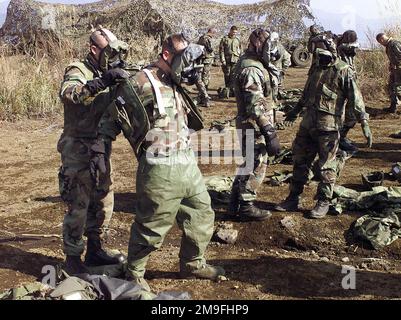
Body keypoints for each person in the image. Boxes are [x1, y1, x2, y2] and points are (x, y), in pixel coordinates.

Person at [107, 34, 225, 290]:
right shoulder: (140, 82)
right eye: (182, 58)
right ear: (166, 55)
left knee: (202, 214)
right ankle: (134, 273)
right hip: (159, 167)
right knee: (152, 225)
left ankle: (193, 264)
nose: (187, 65)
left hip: (187, 162)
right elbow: (111, 118)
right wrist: (97, 151)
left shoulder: (174, 80)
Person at [58, 27, 129, 274]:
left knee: (103, 200)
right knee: (78, 204)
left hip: (100, 147)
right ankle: (73, 259)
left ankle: (95, 248)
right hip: (78, 148)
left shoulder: (108, 71)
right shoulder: (79, 70)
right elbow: (70, 94)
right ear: (94, 49)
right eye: (109, 51)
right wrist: (102, 82)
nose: (113, 57)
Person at [275, 48, 372, 219]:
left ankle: (323, 201)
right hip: (307, 124)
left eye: (324, 55)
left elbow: (355, 98)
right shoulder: (316, 67)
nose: (321, 58)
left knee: (327, 165)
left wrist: (364, 122)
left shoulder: (343, 71)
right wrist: (295, 111)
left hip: (328, 127)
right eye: (318, 54)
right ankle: (293, 197)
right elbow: (306, 94)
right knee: (300, 160)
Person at [229, 28, 282, 221]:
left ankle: (234, 202)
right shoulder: (252, 68)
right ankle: (246, 206)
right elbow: (255, 105)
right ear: (258, 45)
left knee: (247, 163)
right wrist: (269, 131)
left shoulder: (255, 63)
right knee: (256, 163)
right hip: (253, 124)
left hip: (251, 123)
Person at [337, 30, 361, 153]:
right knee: (340, 114)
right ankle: (338, 140)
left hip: (349, 81)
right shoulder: (341, 47)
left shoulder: (347, 48)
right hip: (340, 84)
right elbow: (352, 46)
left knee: (351, 113)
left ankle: (342, 137)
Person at [377, 33, 401, 113]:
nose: (381, 44)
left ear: (381, 39)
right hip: (395, 70)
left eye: (380, 42)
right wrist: (391, 65)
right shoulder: (389, 45)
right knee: (391, 87)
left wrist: (398, 65)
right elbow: (393, 58)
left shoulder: (394, 44)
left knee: (398, 89)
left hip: (399, 70)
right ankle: (393, 107)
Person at [196, 28, 217, 107]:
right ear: (212, 33)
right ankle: (204, 99)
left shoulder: (201, 37)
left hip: (202, 61)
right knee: (205, 79)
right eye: (214, 34)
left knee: (202, 78)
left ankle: (202, 98)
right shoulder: (206, 38)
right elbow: (209, 49)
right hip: (206, 60)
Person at [219, 26, 242, 97]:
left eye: (236, 32)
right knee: (227, 75)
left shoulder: (237, 40)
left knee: (234, 75)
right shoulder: (224, 39)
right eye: (233, 32)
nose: (234, 34)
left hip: (235, 60)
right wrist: (222, 60)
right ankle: (227, 90)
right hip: (227, 60)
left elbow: (240, 50)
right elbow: (221, 50)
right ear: (230, 30)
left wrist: (240, 59)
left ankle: (232, 90)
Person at [270, 31, 292, 100]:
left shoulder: (280, 48)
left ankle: (276, 96)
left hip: (276, 69)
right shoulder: (269, 46)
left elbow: (287, 58)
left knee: (277, 84)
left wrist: (284, 69)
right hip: (273, 69)